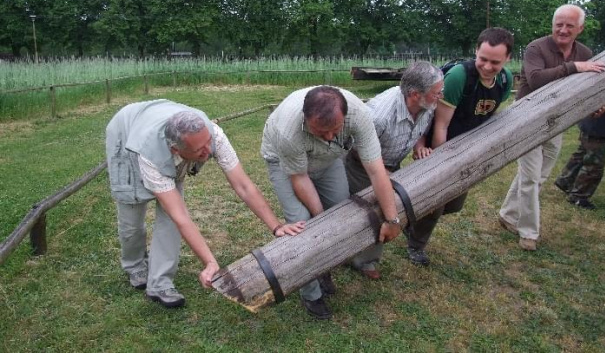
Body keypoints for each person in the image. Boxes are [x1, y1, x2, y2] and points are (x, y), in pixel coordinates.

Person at [105, 99, 304, 308]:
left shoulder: (213, 133)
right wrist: (209, 261)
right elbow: (181, 217)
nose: (208, 151)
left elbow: (243, 185)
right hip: (127, 133)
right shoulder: (149, 154)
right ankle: (135, 266)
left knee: (170, 217)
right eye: (199, 150)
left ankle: (159, 283)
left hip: (159, 126)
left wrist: (277, 226)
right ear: (175, 150)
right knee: (132, 213)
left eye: (208, 143)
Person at [261, 86, 401, 320]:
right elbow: (300, 177)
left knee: (341, 210)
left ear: (344, 117)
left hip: (329, 158)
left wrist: (392, 219)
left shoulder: (359, 115)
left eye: (334, 129)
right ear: (306, 119)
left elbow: (376, 171)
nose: (328, 136)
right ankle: (311, 293)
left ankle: (323, 267)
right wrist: (321, 219)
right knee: (302, 225)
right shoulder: (288, 129)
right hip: (285, 163)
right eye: (319, 130)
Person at [499, 4, 605, 251]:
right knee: (530, 178)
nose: (563, 29)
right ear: (552, 25)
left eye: (569, 25)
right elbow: (536, 79)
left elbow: (589, 86)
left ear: (580, 28)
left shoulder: (585, 52)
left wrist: (597, 105)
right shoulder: (537, 48)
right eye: (559, 24)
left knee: (538, 176)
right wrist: (574, 67)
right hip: (527, 118)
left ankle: (507, 213)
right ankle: (528, 233)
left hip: (557, 120)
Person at [407, 27, 514, 267]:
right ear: (476, 51)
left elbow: (488, 116)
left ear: (508, 59)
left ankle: (410, 218)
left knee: (455, 204)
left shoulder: (506, 80)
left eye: (495, 62)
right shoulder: (459, 76)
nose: (487, 66)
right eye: (482, 59)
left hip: (468, 149)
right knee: (438, 200)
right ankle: (416, 245)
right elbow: (441, 125)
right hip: (441, 144)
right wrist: (442, 165)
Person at [345, 61, 443, 273]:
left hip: (390, 163)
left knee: (393, 204)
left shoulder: (427, 104)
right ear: (416, 94)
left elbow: (420, 129)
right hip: (361, 164)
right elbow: (357, 149)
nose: (440, 96)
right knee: (375, 210)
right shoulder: (379, 116)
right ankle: (362, 261)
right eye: (437, 93)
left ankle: (367, 253)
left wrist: (420, 146)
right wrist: (383, 174)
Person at [554, 29, 605, 209]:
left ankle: (565, 182)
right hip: (597, 120)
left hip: (595, 120)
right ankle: (579, 196)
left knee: (583, 152)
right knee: (594, 163)